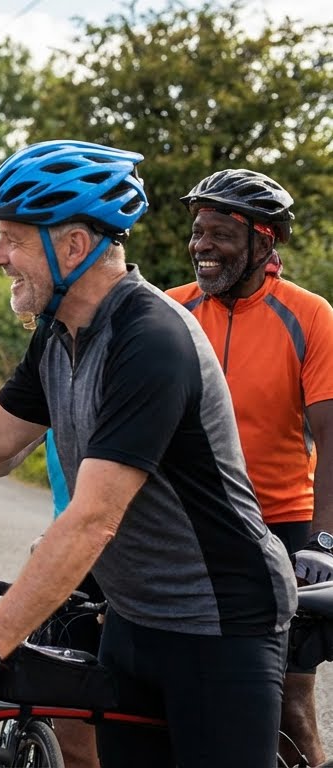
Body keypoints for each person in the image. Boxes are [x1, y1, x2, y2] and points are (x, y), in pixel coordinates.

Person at [0, 140, 295, 767]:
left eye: (12, 240)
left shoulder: (149, 339)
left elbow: (94, 516)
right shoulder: (60, 330)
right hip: (136, 618)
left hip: (221, 621)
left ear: (73, 246)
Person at [165, 168, 332, 766]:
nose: (202, 246)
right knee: (166, 699)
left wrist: (324, 540)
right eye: (197, 231)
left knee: (286, 706)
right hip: (187, 527)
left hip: (281, 526)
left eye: (220, 234)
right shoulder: (171, 310)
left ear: (266, 242)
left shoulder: (309, 316)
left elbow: (329, 439)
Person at [0, 428, 101, 768]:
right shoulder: (55, 385)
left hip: (139, 569)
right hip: (70, 569)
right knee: (74, 744)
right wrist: (24, 420)